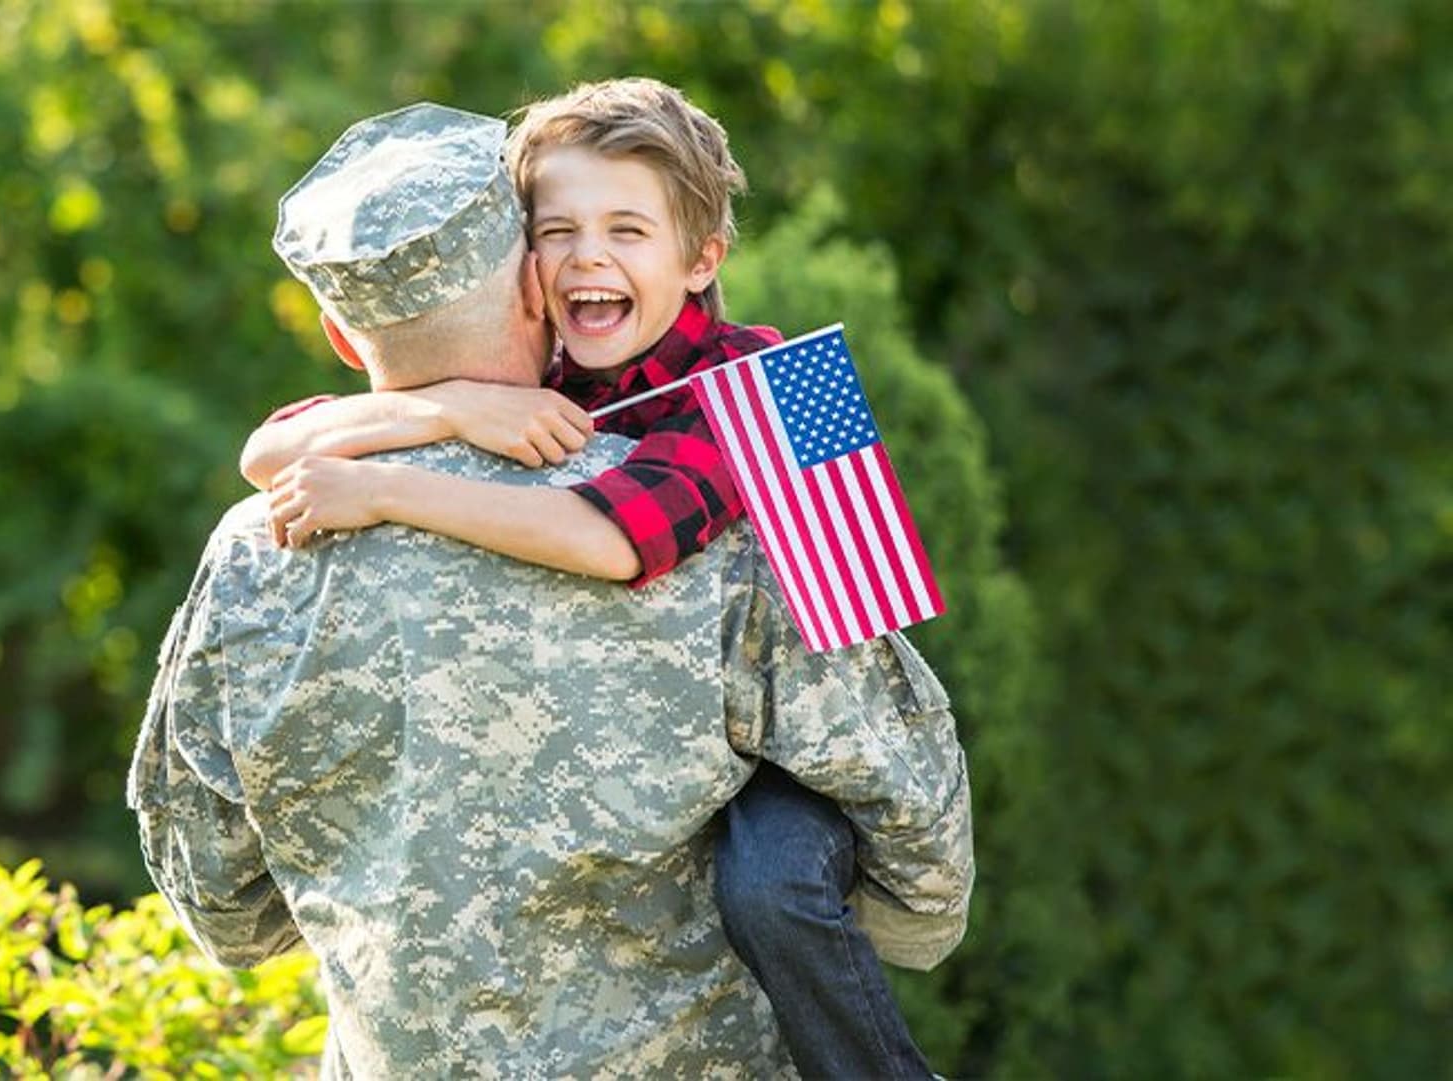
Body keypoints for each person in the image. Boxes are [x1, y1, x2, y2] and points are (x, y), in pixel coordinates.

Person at [128, 102, 972, 1078]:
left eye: (625, 231)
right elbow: (921, 863)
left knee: (778, 872)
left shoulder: (258, 550)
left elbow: (226, 914)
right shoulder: (731, 548)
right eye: (559, 234)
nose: (585, 261)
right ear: (533, 279)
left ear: (331, 328)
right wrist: (457, 411)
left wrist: (404, 461)